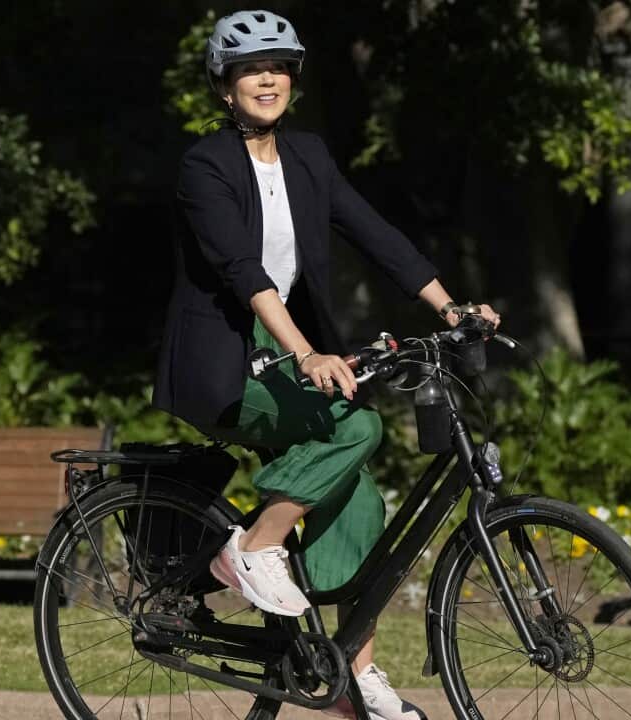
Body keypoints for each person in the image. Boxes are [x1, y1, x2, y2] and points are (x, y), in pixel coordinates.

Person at [151, 10, 499, 719]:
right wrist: (305, 352)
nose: (266, 78)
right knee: (355, 430)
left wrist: (448, 307)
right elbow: (243, 272)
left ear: (294, 80)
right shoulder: (204, 165)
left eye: (277, 67)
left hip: (280, 360)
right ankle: (250, 548)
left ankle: (348, 675)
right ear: (224, 87)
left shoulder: (308, 156)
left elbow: (375, 233)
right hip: (223, 363)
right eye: (250, 69)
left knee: (361, 499)